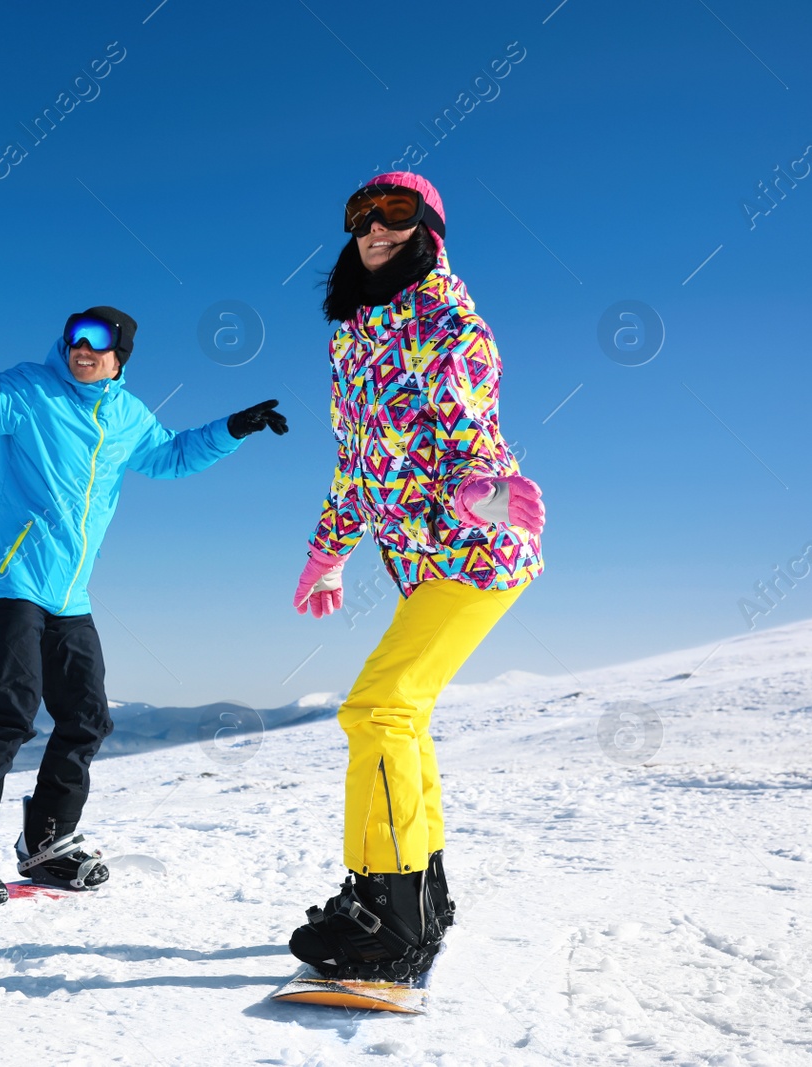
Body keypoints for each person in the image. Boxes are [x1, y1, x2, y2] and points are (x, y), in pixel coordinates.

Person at [0, 307, 288, 909]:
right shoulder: (29, 391)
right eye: (72, 339)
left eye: (96, 342)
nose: (81, 350)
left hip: (71, 594)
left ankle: (47, 841)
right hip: (13, 580)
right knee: (12, 711)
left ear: (121, 355)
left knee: (87, 716)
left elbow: (170, 457)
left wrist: (233, 428)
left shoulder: (126, 417)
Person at [286, 174, 545, 979]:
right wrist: (329, 552)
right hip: (426, 561)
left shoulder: (448, 320)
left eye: (396, 214)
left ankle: (388, 912)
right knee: (402, 716)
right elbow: (358, 464)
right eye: (362, 217)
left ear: (428, 229)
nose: (375, 228)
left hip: (479, 552)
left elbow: (471, 418)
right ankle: (420, 894)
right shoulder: (351, 336)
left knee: (376, 710)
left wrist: (481, 492)